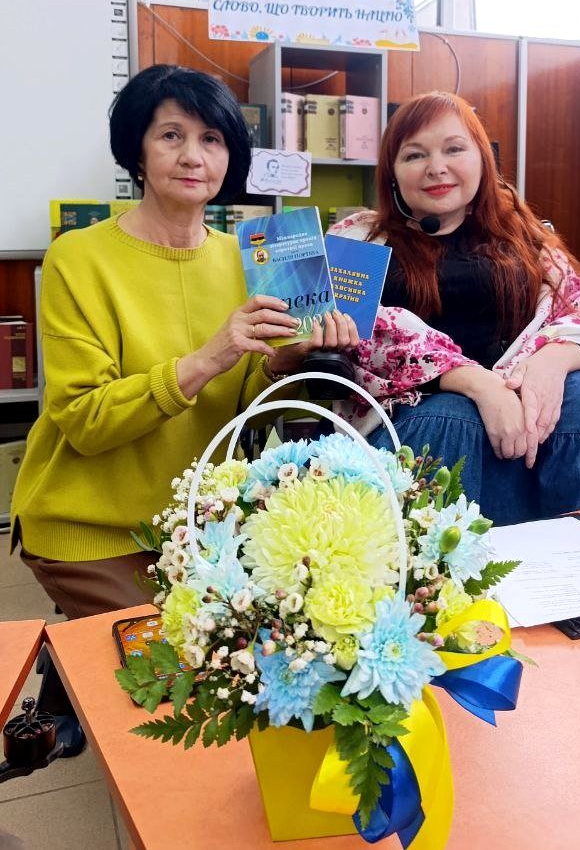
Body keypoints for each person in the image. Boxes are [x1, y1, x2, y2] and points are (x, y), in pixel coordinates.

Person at [10, 64, 358, 750]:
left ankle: (76, 664)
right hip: (92, 524)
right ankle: (74, 673)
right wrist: (207, 357)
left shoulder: (248, 257)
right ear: (136, 151)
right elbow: (84, 421)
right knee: (186, 688)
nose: (193, 155)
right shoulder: (79, 257)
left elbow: (244, 419)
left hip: (200, 523)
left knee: (277, 651)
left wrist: (287, 364)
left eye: (211, 138)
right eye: (170, 135)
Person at [329, 90, 580, 524]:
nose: (436, 167)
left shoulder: (521, 234)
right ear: (391, 173)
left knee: (579, 398)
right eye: (414, 155)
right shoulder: (357, 241)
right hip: (425, 413)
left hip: (536, 403)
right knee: (454, 419)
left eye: (454, 149)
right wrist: (476, 384)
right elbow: (353, 332)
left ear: (483, 161)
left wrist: (553, 361)